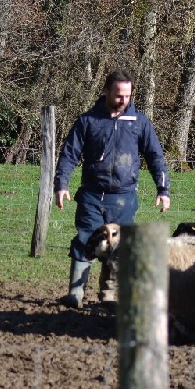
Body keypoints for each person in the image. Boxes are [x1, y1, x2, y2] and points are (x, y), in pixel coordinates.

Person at [54, 69, 171, 307]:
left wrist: (163, 189)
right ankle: (75, 296)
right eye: (118, 95)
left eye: (127, 95)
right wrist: (61, 184)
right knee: (86, 241)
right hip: (92, 196)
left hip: (124, 198)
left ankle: (108, 297)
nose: (123, 100)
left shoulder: (139, 123)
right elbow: (69, 154)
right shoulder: (88, 121)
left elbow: (155, 156)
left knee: (119, 248)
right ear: (106, 91)